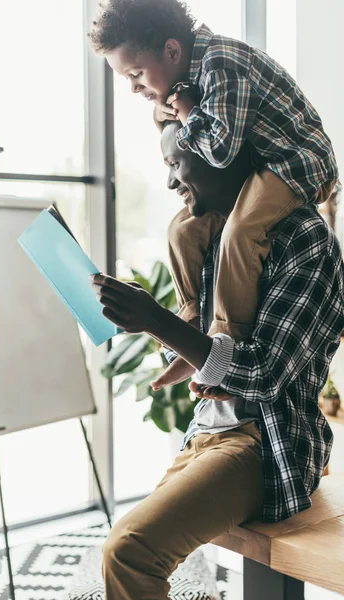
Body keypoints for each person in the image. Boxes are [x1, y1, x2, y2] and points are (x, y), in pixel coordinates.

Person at [89, 121, 344, 600]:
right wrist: (148, 321)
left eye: (176, 165)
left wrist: (158, 320)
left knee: (128, 552)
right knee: (125, 551)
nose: (170, 182)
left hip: (265, 444)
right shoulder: (211, 239)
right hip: (207, 434)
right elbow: (205, 353)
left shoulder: (306, 241)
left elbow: (264, 374)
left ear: (222, 155)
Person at [89, 0, 339, 391]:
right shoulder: (187, 75)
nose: (133, 87)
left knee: (241, 232)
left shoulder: (223, 61)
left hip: (296, 165)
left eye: (136, 74)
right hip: (261, 166)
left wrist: (186, 110)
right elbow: (172, 128)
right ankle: (191, 327)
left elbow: (219, 150)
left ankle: (224, 347)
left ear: (172, 51)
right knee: (182, 231)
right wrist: (169, 106)